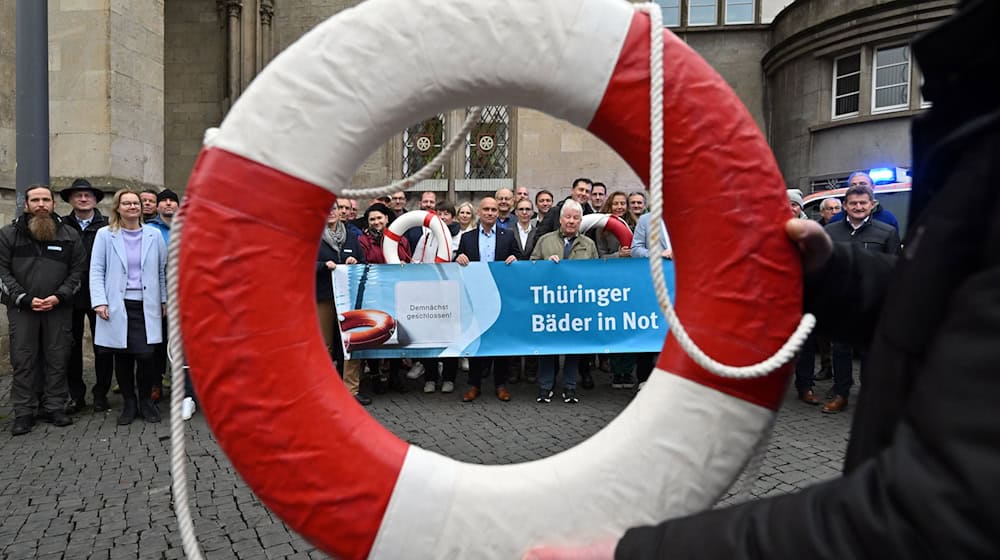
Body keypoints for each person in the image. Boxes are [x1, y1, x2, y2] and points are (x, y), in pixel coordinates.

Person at [525, 1, 1000, 556]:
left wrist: (635, 554)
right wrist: (834, 272)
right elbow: (950, 300)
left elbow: (941, 514)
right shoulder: (975, 110)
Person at [1, 185, 86, 435]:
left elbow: (78, 272)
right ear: (26, 204)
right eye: (35, 200)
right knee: (23, 358)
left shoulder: (69, 235)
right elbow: (2, 272)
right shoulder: (8, 235)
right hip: (22, 309)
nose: (41, 204)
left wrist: (60, 296)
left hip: (58, 307)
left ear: (53, 204)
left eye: (46, 199)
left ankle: (55, 406)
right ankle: (24, 411)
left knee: (57, 357)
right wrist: (24, 298)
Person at [90, 189, 168, 425]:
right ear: (118, 208)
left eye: (136, 203)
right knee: (122, 356)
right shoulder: (105, 234)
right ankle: (130, 403)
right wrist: (100, 301)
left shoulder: (154, 236)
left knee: (146, 355)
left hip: (147, 304)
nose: (132, 207)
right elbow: (97, 270)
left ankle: (145, 400)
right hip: (117, 304)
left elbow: (161, 272)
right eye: (127, 203)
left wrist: (163, 300)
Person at [529, 200, 598, 404]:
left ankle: (570, 387)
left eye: (575, 218)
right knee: (547, 346)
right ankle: (545, 386)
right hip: (549, 303)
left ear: (580, 221)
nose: (571, 221)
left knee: (573, 347)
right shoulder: (544, 240)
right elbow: (531, 265)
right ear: (560, 219)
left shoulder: (589, 244)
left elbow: (596, 274)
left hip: (576, 304)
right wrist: (545, 265)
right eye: (568, 217)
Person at [455, 197, 521, 402]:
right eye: (486, 209)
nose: (491, 213)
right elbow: (457, 260)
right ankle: (474, 385)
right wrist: (459, 258)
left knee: (500, 342)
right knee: (477, 342)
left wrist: (515, 259)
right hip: (476, 297)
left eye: (494, 209)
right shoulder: (468, 238)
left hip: (501, 296)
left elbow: (520, 259)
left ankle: (500, 384)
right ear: (479, 212)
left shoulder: (508, 236)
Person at [61, 179, 113, 414]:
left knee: (103, 346)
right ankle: (76, 394)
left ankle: (101, 392)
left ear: (95, 199)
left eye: (87, 195)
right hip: (70, 295)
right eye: (78, 195)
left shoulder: (109, 226)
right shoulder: (61, 226)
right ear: (70, 200)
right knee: (71, 348)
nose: (83, 199)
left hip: (100, 294)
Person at [316, 203, 371, 406]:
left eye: (334, 208)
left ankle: (351, 390)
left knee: (351, 342)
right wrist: (322, 266)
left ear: (341, 212)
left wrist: (354, 262)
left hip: (348, 297)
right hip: (323, 296)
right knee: (325, 345)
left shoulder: (351, 237)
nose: (330, 212)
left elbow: (363, 261)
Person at [595, 191, 635, 258]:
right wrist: (618, 254)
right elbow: (601, 256)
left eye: (622, 204)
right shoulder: (602, 228)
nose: (619, 207)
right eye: (615, 204)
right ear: (610, 206)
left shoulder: (634, 224)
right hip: (612, 266)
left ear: (627, 206)